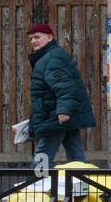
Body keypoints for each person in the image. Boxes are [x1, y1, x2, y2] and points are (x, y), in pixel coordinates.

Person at [26, 23, 95, 164]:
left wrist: (64, 111)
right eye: (31, 38)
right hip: (59, 114)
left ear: (50, 37)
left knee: (43, 153)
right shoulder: (48, 57)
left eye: (37, 37)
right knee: (76, 154)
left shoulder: (52, 58)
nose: (33, 41)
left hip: (56, 116)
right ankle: (81, 184)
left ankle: (37, 183)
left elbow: (66, 87)